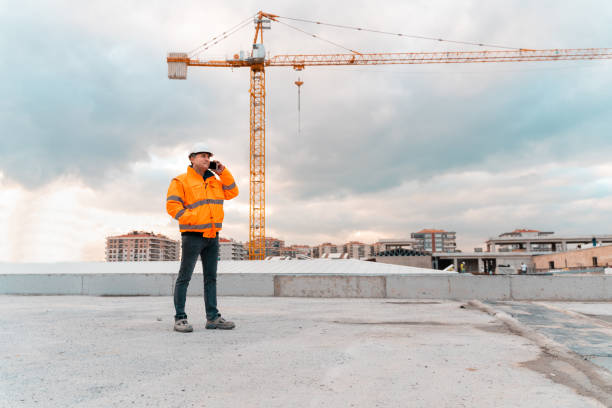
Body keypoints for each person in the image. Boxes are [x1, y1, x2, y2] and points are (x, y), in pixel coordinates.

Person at [166, 144, 239, 333]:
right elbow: (173, 207)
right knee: (184, 277)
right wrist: (194, 219)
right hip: (192, 235)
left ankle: (213, 318)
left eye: (208, 156)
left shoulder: (215, 180)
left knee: (211, 278)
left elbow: (232, 192)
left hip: (212, 236)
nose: (206, 159)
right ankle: (180, 318)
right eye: (202, 156)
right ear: (191, 159)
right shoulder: (181, 180)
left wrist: (223, 172)